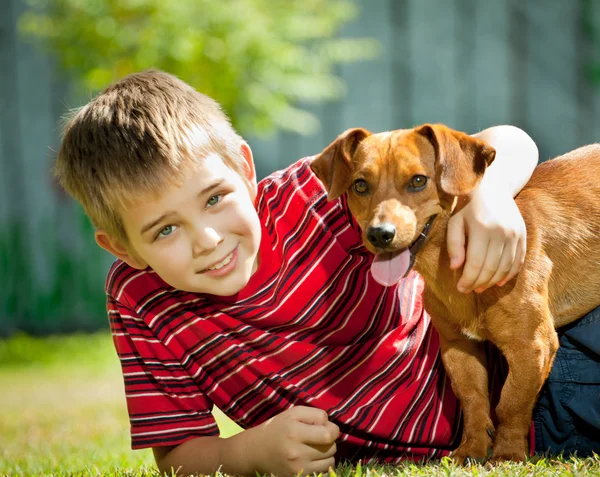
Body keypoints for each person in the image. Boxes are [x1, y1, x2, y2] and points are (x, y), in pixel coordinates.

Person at [55, 70, 598, 476]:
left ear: (245, 168)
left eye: (216, 198)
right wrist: (244, 454)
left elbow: (506, 141)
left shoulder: (319, 195)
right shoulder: (141, 301)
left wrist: (493, 195)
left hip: (534, 386)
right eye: (164, 231)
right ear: (122, 247)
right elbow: (177, 457)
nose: (208, 239)